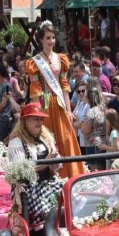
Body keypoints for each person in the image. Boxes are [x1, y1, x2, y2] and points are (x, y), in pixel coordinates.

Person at [26, 21, 85, 178]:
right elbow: (35, 89)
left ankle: (71, 174)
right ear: (41, 40)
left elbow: (64, 86)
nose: (51, 41)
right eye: (47, 38)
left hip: (59, 104)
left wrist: (68, 109)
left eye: (53, 38)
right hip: (44, 104)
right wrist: (37, 111)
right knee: (48, 139)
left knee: (65, 139)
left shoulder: (61, 59)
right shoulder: (34, 62)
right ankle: (51, 175)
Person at [7, 102, 63, 232]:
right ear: (25, 120)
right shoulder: (16, 142)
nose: (39, 122)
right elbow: (21, 172)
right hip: (29, 188)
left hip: (49, 183)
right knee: (47, 212)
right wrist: (46, 163)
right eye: (35, 119)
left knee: (69, 202)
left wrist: (54, 160)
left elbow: (57, 166)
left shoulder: (46, 138)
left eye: (41, 119)